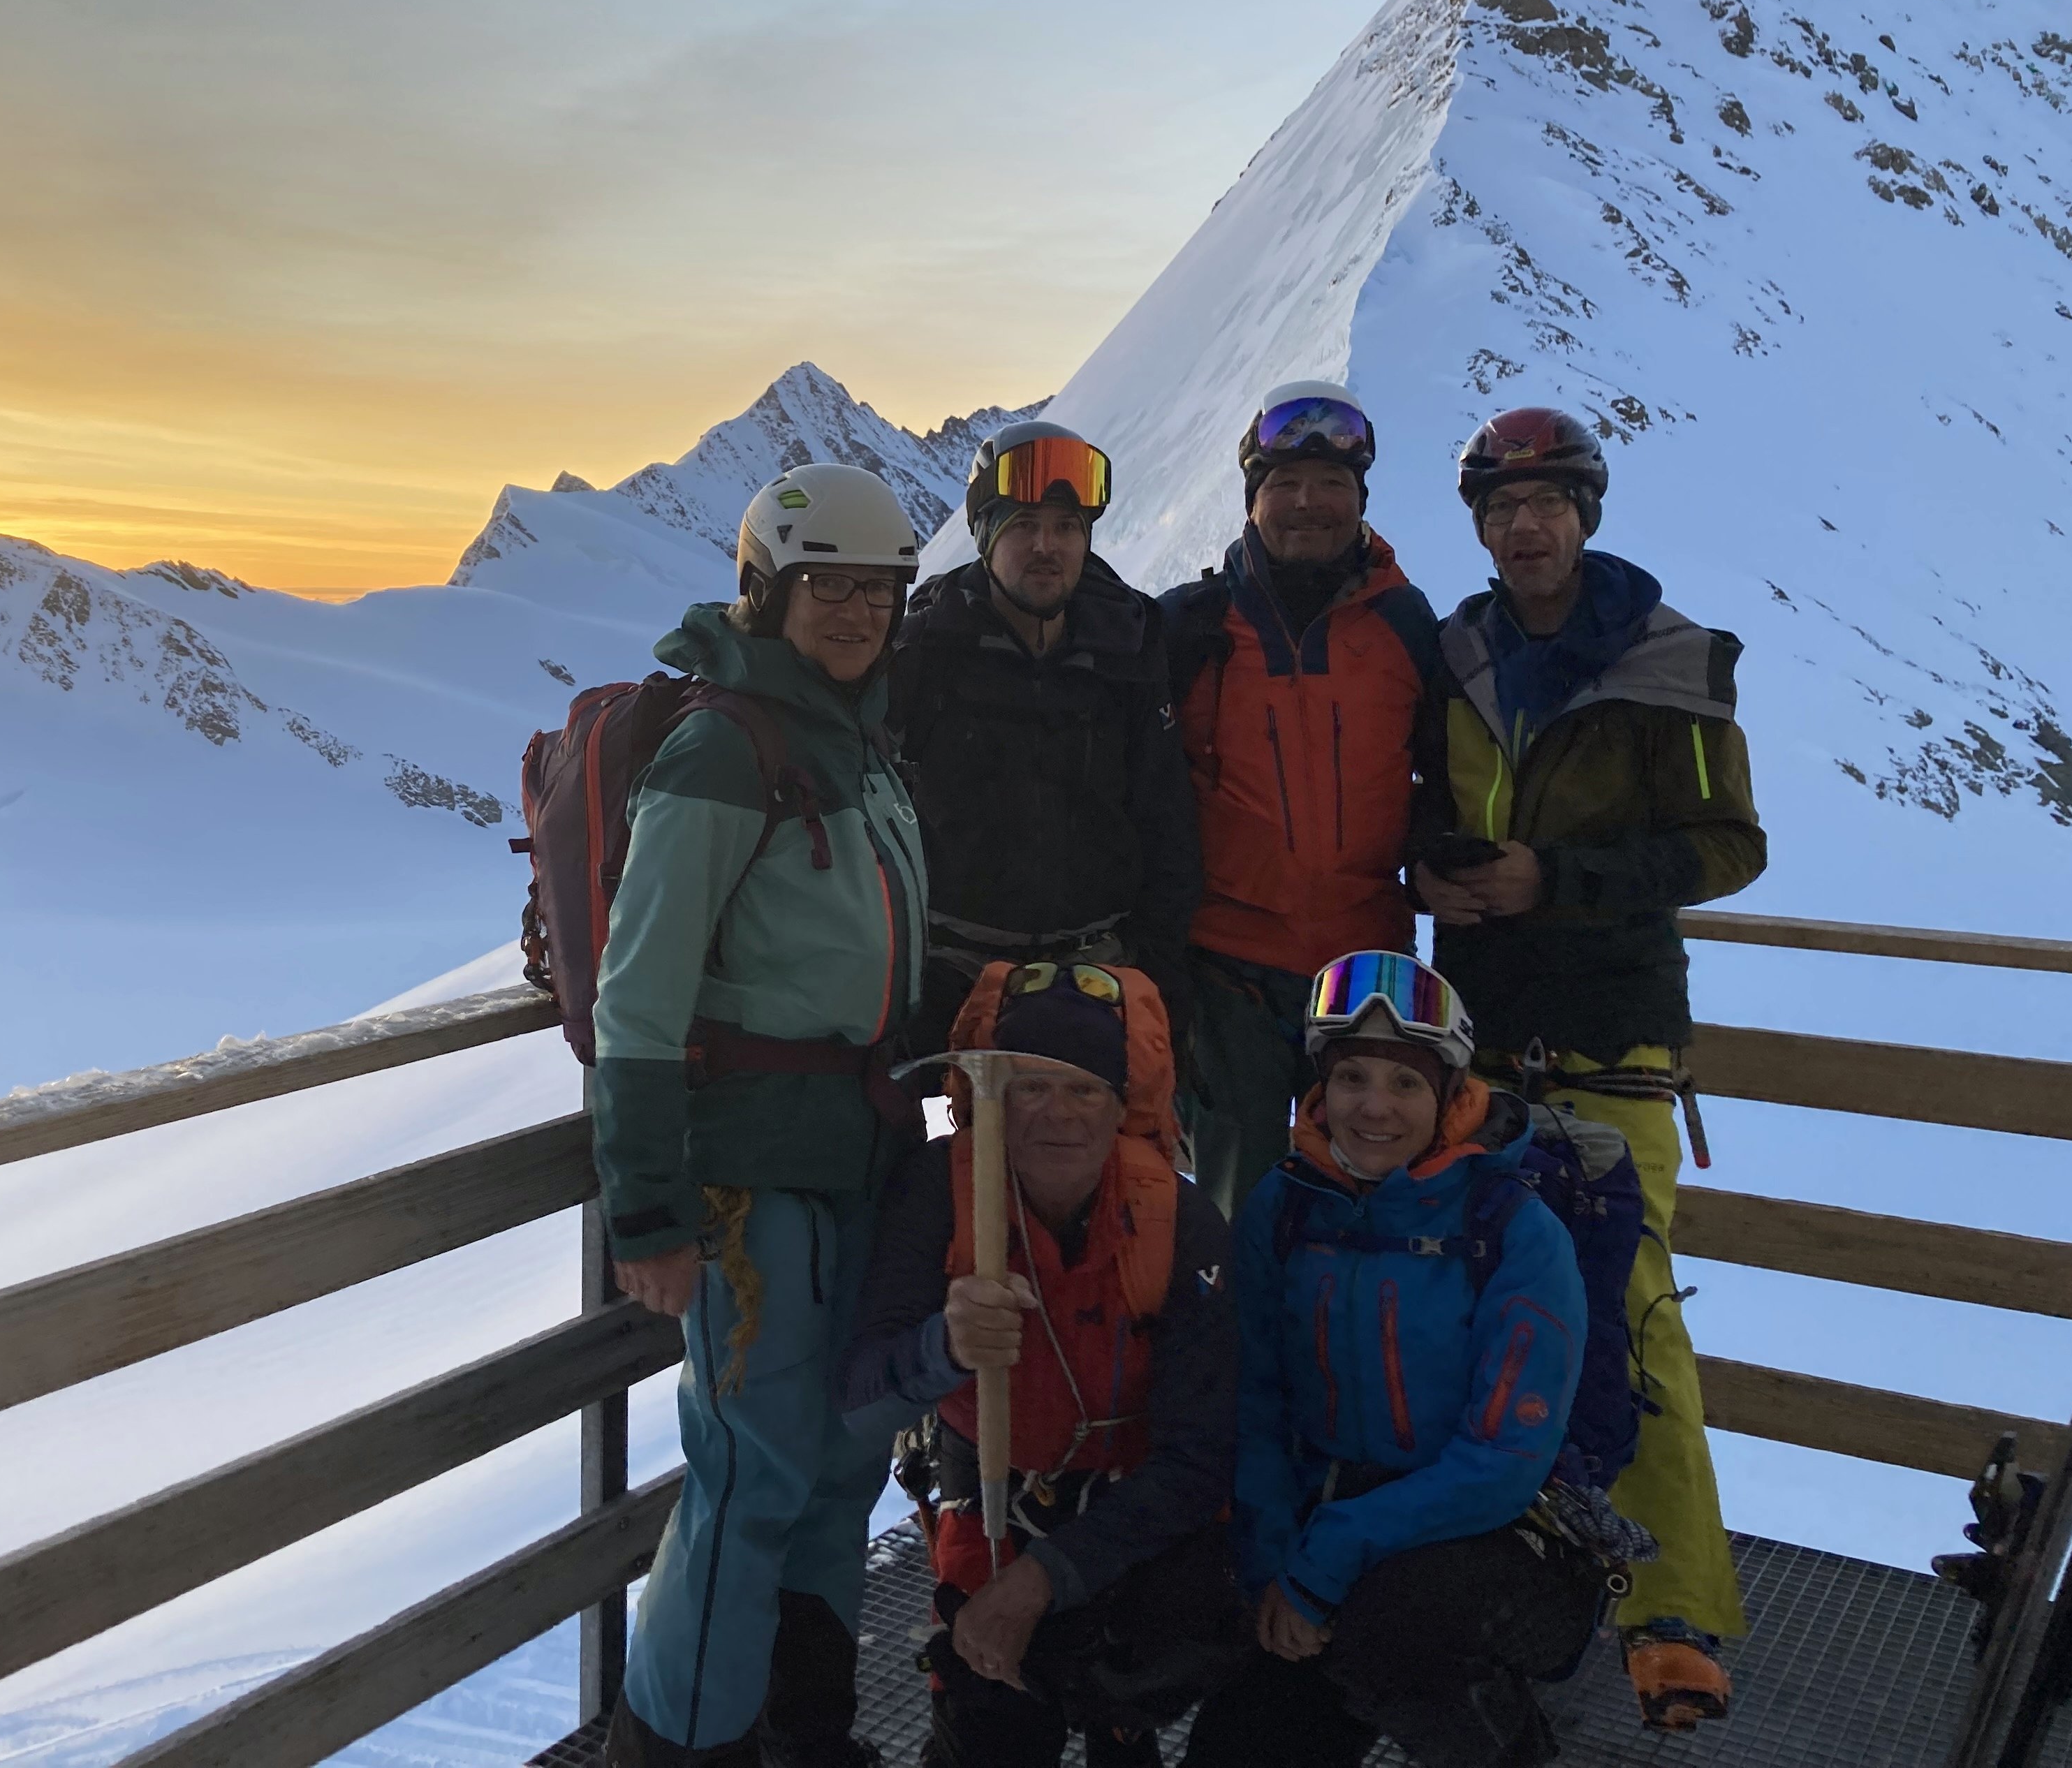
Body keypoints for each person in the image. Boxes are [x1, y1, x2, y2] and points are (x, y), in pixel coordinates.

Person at [1411, 406, 1767, 1728]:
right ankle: (1495, 1583)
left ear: (1587, 510)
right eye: (1503, 509)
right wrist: (1433, 859)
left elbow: (1726, 844)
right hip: (1481, 1033)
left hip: (1611, 1037)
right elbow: (1420, 799)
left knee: (1627, 1312)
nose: (1526, 526)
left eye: (1549, 502)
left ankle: (1671, 1611)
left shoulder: (1669, 660)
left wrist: (1554, 877)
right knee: (1478, 1313)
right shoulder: (1454, 657)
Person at [593, 462, 931, 1768]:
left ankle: (802, 1724)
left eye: (876, 589)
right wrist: (648, 1208)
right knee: (753, 1472)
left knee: (843, 1458)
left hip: (854, 1155)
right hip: (743, 1180)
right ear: (767, 590)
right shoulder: (726, 747)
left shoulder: (854, 733)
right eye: (826, 586)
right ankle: (680, 1743)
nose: (854, 612)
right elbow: (638, 998)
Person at [1182, 951, 1605, 1768]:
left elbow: (1503, 1462)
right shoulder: (1283, 1205)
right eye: (1353, 1079)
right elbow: (1258, 1401)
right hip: (1323, 1522)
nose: (1374, 1108)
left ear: (1448, 1096)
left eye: (1406, 1084)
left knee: (1396, 1640)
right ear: (1321, 1087)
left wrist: (1323, 1563)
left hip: (1501, 1535)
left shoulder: (1513, 1228)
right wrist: (1274, 1572)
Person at [841, 960, 1242, 1768]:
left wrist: (1044, 1583)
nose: (1058, 1115)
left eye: (1085, 1088)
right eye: (1028, 1086)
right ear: (992, 1099)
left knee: (1142, 1655)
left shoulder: (1176, 1219)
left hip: (1138, 1508)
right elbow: (858, 1396)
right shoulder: (938, 1191)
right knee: (990, 1706)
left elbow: (1204, 1457)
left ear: (1120, 1103)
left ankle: (1116, 1719)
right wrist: (942, 1348)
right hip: (992, 1493)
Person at [1154, 383, 1444, 1222]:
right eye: (1285, 484)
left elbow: (1447, 778)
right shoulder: (1193, 629)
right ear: (1253, 501)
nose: (1309, 504)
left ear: (1361, 499)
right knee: (1231, 1214)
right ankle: (1233, 1356)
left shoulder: (1408, 625)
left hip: (1365, 976)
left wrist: (1435, 852)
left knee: (1366, 1208)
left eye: (1331, 484)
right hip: (1227, 975)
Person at [891, 418, 1203, 1057]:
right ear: (984, 535)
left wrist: (1159, 975)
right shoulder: (926, 649)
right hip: (946, 979)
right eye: (1024, 526)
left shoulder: (1129, 646)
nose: (1047, 546)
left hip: (1097, 977)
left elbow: (1165, 817)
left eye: (1066, 528)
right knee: (939, 1157)